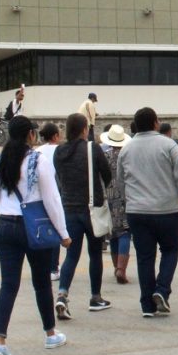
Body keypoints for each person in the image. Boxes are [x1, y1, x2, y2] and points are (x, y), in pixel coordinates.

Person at [0, 116, 71, 355]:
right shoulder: (37, 160)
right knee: (42, 282)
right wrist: (63, 234)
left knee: (8, 285)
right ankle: (50, 334)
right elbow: (51, 199)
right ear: (30, 135)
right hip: (32, 227)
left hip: (4, 226)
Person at [115, 107, 178, 317]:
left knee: (144, 257)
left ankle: (146, 305)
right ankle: (161, 290)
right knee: (170, 250)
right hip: (166, 210)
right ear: (155, 123)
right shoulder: (169, 146)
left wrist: (128, 203)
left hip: (137, 212)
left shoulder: (126, 149)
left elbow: (120, 182)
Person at [53, 112, 113, 317]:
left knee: (72, 254)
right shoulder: (92, 148)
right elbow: (107, 175)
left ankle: (62, 295)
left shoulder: (59, 151)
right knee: (95, 253)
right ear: (84, 129)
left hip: (69, 208)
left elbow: (59, 177)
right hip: (91, 208)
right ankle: (95, 297)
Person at [100, 124, 131, 283]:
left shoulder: (103, 155)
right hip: (124, 197)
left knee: (112, 233)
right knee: (125, 232)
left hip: (107, 197)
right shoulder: (127, 155)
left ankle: (115, 267)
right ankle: (121, 268)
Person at [36, 123, 63, 281]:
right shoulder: (60, 150)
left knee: (43, 229)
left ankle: (44, 265)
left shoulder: (37, 151)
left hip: (40, 194)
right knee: (56, 229)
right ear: (55, 136)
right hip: (57, 193)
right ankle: (54, 267)